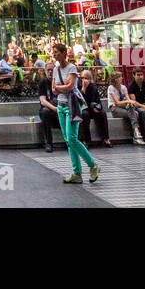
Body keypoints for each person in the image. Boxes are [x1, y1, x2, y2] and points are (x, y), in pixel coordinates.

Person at [51, 42, 98, 184]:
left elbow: (70, 86)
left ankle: (92, 165)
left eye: (57, 52)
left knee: (72, 138)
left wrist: (60, 87)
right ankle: (77, 172)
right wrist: (61, 87)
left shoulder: (72, 68)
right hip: (61, 105)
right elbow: (54, 89)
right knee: (68, 140)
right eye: (53, 52)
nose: (54, 54)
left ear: (64, 53)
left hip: (72, 106)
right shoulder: (55, 69)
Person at [107, 70, 145, 144]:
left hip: (124, 107)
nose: (122, 78)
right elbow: (117, 103)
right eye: (120, 77)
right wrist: (128, 102)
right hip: (115, 108)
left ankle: (136, 134)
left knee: (133, 111)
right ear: (116, 79)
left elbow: (128, 99)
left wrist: (129, 103)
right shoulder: (111, 88)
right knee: (135, 114)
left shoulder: (123, 87)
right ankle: (136, 134)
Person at [77, 69, 111, 147]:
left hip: (92, 109)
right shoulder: (78, 88)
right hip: (83, 109)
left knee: (102, 114)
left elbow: (98, 102)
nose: (84, 80)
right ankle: (86, 140)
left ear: (90, 79)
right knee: (84, 115)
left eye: (86, 78)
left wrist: (97, 108)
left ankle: (106, 138)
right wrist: (83, 90)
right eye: (82, 78)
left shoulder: (93, 87)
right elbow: (79, 102)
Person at [35, 67, 59, 153]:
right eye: (48, 70)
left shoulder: (59, 81)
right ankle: (48, 143)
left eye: (52, 70)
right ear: (45, 71)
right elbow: (43, 101)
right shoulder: (43, 82)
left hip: (59, 108)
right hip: (49, 109)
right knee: (45, 112)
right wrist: (55, 109)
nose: (50, 72)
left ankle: (72, 141)